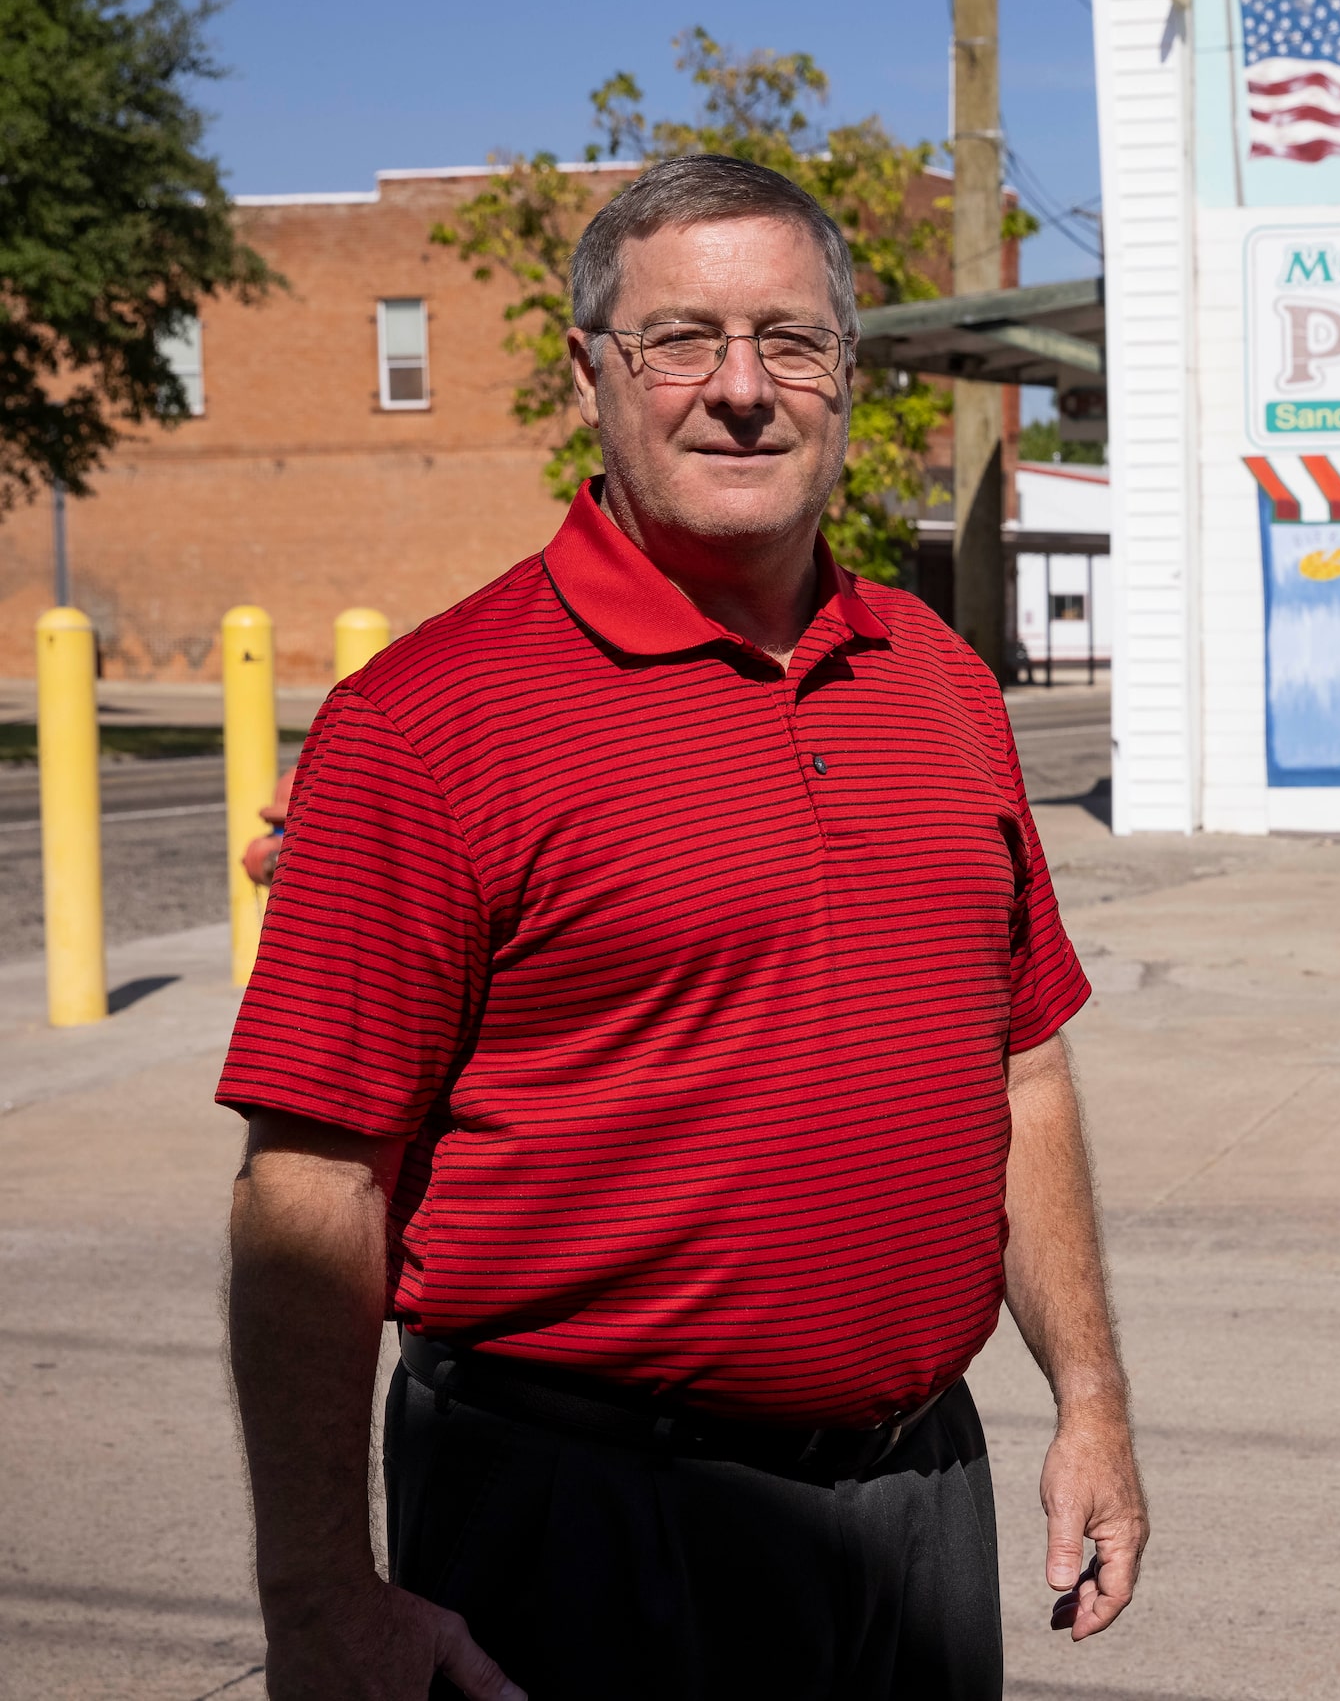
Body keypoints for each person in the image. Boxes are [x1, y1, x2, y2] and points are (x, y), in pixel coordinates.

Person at [218, 153, 1145, 1701]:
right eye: (681, 341)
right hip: (585, 1528)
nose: (741, 389)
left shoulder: (942, 683)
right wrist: (317, 1592)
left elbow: (1024, 1069)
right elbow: (311, 1181)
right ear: (592, 375)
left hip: (922, 1499)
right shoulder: (426, 723)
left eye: (791, 340)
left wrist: (1093, 1400)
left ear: (846, 377)